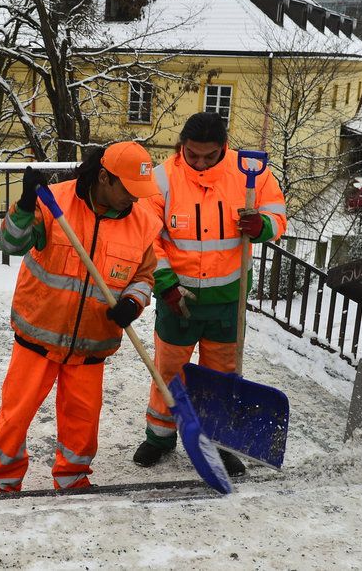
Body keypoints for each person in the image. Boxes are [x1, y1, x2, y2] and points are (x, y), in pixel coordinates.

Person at [0, 142, 162, 492]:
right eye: (128, 189)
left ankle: (73, 479)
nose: (135, 199)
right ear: (103, 177)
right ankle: (3, 483)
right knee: (15, 417)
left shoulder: (144, 223)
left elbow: (144, 277)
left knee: (83, 421)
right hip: (38, 334)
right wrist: (23, 207)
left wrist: (132, 302)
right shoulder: (55, 202)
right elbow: (12, 243)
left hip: (93, 341)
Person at [132, 112, 287, 476]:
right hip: (178, 297)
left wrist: (261, 225)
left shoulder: (252, 174)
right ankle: (159, 437)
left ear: (224, 148)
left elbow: (278, 217)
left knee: (222, 374)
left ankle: (220, 441)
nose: (200, 162)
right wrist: (166, 284)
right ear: (181, 146)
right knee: (169, 371)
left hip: (227, 301)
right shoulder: (161, 179)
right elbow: (147, 237)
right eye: (192, 154)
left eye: (209, 155)